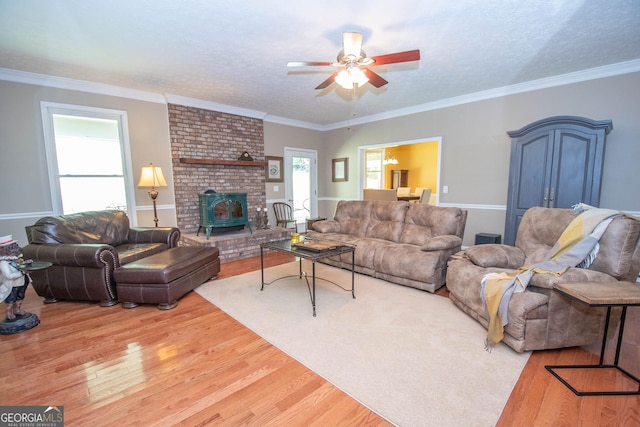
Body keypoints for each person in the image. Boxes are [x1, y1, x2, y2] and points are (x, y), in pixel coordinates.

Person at [0, 235, 37, 332]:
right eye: (11, 247)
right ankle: (9, 313)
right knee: (11, 299)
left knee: (20, 297)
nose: (15, 249)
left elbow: (22, 266)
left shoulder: (17, 259)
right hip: (13, 285)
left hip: (22, 282)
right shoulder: (4, 263)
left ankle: (17, 310)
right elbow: (8, 275)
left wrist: (27, 264)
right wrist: (21, 272)